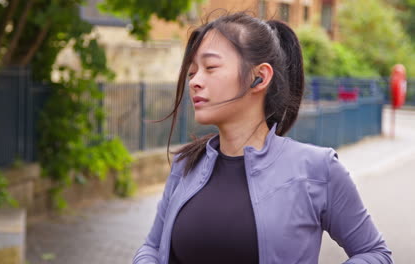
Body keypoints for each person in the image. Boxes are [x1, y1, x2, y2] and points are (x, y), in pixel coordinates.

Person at [133, 12, 393, 264]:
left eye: (210, 67)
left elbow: (375, 252)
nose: (194, 81)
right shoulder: (185, 164)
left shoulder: (317, 169)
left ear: (259, 77)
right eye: (192, 72)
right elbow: (153, 247)